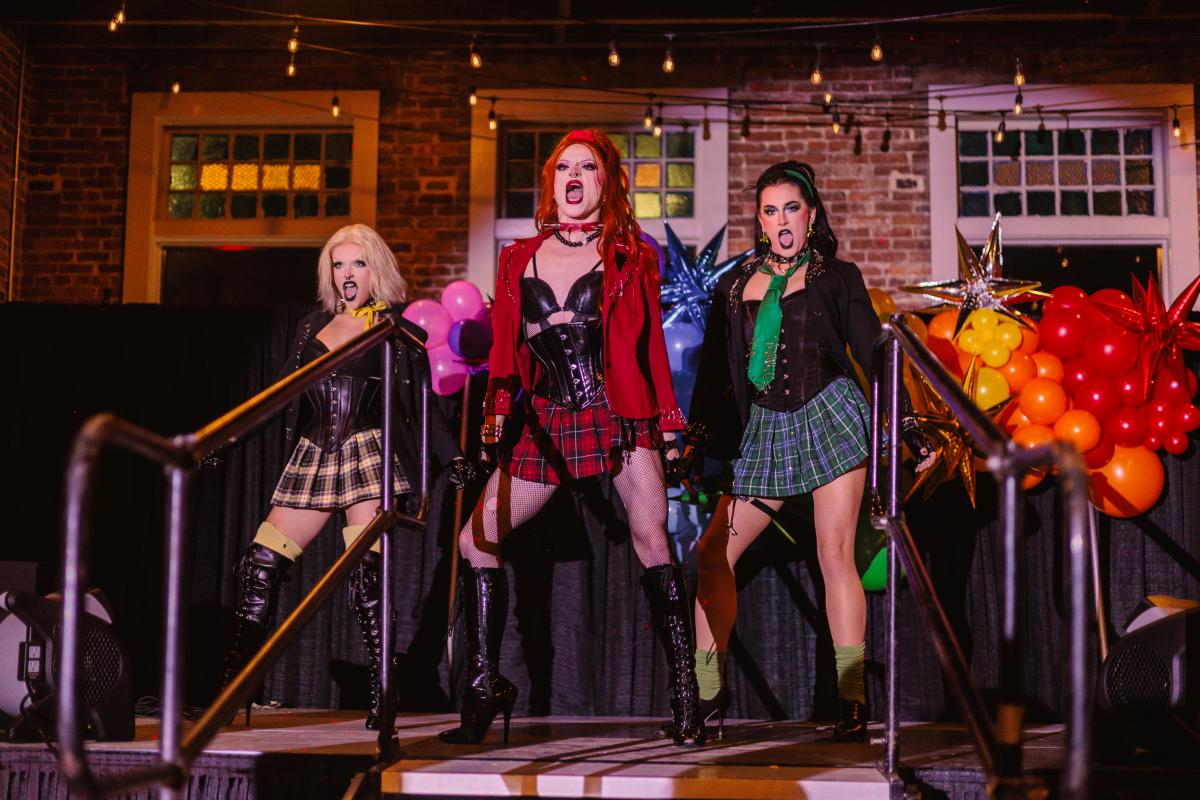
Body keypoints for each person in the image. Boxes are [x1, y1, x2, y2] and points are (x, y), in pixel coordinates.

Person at [438, 129, 702, 746]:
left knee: (652, 538)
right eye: (563, 168)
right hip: (546, 419)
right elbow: (505, 350)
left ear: (606, 182)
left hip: (618, 412)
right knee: (475, 540)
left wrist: (669, 425)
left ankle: (687, 695)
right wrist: (495, 413)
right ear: (552, 182)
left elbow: (650, 348)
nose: (574, 177)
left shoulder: (631, 255)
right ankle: (485, 686)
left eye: (587, 167)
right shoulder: (516, 258)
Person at [688, 162, 934, 741]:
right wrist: (696, 442)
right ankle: (706, 693)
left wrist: (905, 425)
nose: (781, 221)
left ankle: (851, 700)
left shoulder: (836, 276)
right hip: (764, 431)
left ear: (811, 214)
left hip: (830, 416)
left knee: (833, 554)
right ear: (759, 220)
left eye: (791, 208)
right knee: (711, 554)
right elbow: (715, 374)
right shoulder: (733, 286)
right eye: (770, 210)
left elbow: (874, 354)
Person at [221, 223, 473, 730]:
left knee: (367, 576)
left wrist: (452, 458)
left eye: (357, 263)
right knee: (259, 564)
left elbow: (422, 405)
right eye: (338, 265)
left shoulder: (394, 331)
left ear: (375, 269)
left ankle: (384, 693)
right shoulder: (310, 327)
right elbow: (277, 394)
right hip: (315, 454)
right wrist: (229, 439)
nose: (347, 273)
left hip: (367, 453)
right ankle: (234, 687)